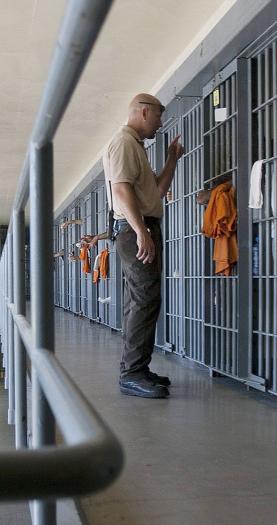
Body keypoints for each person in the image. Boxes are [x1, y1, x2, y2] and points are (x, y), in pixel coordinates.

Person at [103, 93, 184, 398]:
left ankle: (138, 368)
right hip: (135, 228)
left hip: (140, 226)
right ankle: (132, 373)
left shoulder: (136, 147)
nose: (160, 124)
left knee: (142, 300)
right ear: (144, 111)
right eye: (159, 116)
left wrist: (172, 159)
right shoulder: (124, 142)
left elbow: (158, 190)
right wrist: (141, 231)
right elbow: (121, 190)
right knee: (143, 299)